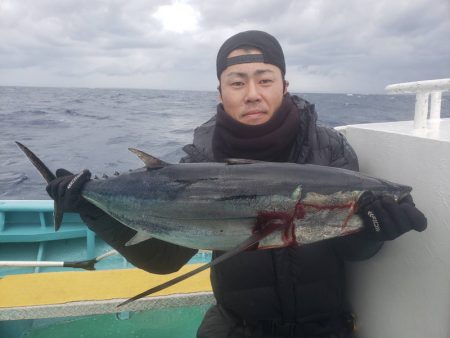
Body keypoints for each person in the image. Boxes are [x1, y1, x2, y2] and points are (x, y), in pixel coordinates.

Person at [46, 31, 427, 338]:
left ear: (284, 84)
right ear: (221, 92)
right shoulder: (198, 160)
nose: (252, 94)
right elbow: (163, 260)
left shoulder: (330, 149)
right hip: (236, 329)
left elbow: (351, 252)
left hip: (324, 328)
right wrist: (90, 208)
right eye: (237, 82)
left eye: (265, 80)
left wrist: (373, 231)